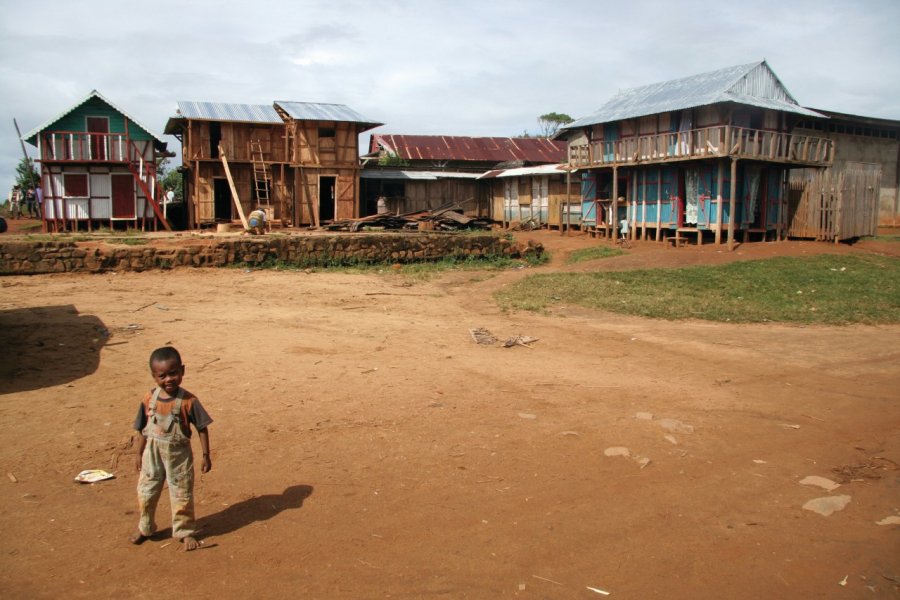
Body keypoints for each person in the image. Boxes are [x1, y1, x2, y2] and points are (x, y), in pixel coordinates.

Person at [130, 346, 213, 551]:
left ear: (182, 371)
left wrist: (206, 455)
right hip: (152, 452)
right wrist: (138, 454)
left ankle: (184, 532)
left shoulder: (189, 401)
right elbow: (141, 429)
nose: (169, 379)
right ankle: (145, 527)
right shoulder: (148, 399)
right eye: (162, 375)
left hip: (179, 455)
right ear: (154, 376)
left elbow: (202, 428)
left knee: (181, 494)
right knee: (146, 491)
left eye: (173, 373)